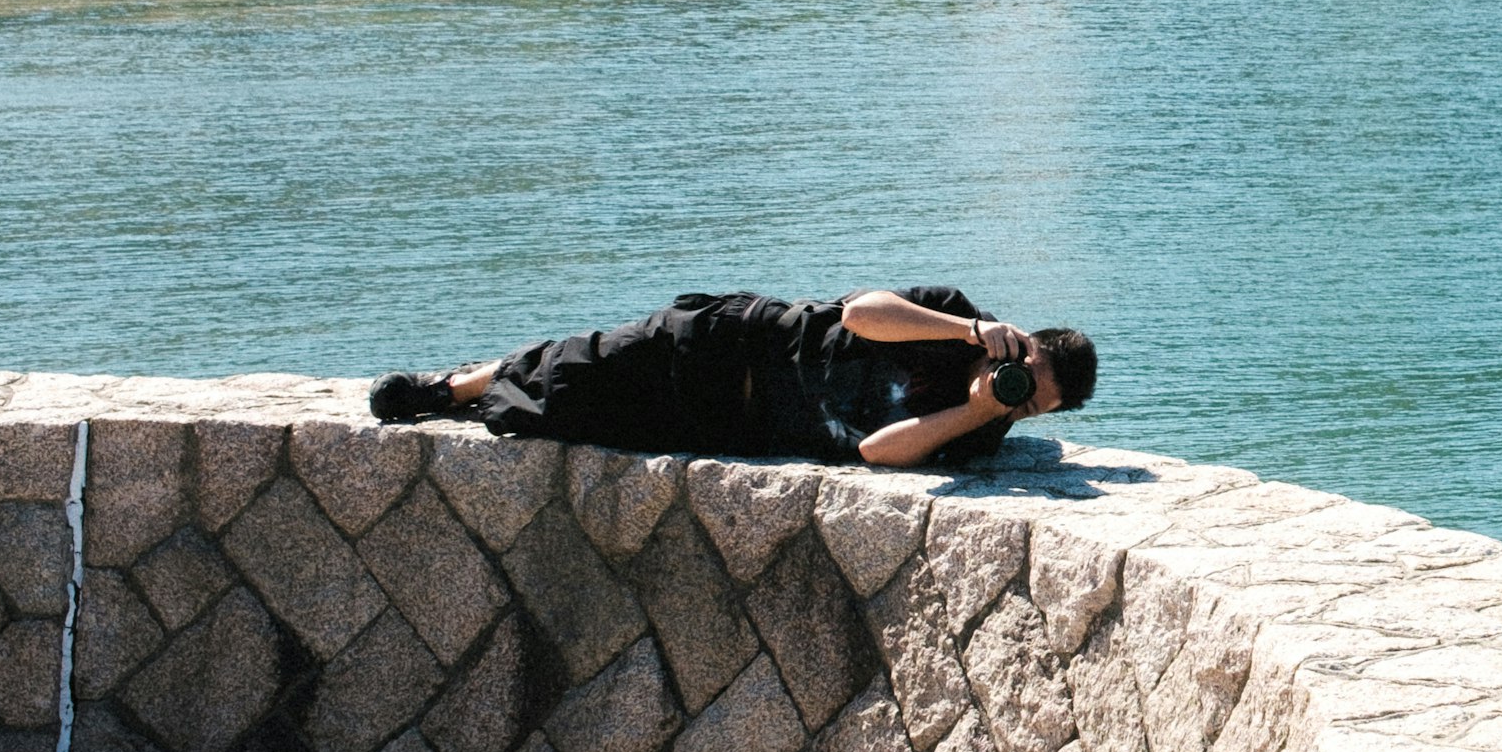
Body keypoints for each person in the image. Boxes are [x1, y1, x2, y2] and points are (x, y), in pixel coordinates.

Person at [369, 290, 1095, 470]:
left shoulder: (980, 431)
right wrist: (967, 334)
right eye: (1026, 377)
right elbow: (860, 313)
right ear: (1022, 343)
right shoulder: (956, 314)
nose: (1017, 398)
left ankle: (479, 399)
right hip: (735, 344)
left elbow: (877, 452)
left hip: (731, 424)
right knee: (579, 364)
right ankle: (455, 388)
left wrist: (972, 415)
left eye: (1034, 407)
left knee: (562, 418)